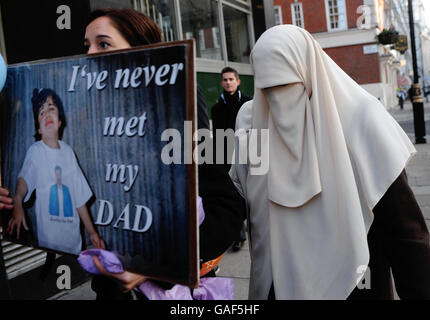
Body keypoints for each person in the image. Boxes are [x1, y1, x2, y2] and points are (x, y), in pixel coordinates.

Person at [229, 24, 430, 300]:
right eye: (268, 91)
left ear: (308, 72)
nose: (279, 101)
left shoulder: (361, 119)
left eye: (287, 85)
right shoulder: (255, 126)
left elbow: (406, 234)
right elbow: (237, 210)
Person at [83, 8, 246, 298]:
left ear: (142, 51)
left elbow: (227, 211)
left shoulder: (176, 108)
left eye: (104, 44)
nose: (91, 54)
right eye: (87, 45)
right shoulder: (86, 121)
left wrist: (157, 263)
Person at [6, 88, 105, 255]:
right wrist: (17, 199)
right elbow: (24, 180)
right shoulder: (36, 151)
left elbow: (79, 198)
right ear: (39, 129)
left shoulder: (68, 152)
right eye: (41, 112)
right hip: (49, 244)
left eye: (51, 108)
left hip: (74, 244)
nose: (46, 114)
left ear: (60, 121)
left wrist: (92, 233)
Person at [210, 67, 250, 252]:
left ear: (238, 81)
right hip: (226, 157)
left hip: (249, 154)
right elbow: (218, 136)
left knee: (252, 194)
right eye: (225, 80)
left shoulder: (249, 103)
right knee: (234, 195)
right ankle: (238, 235)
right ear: (221, 82)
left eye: (231, 79)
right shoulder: (217, 108)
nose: (228, 82)